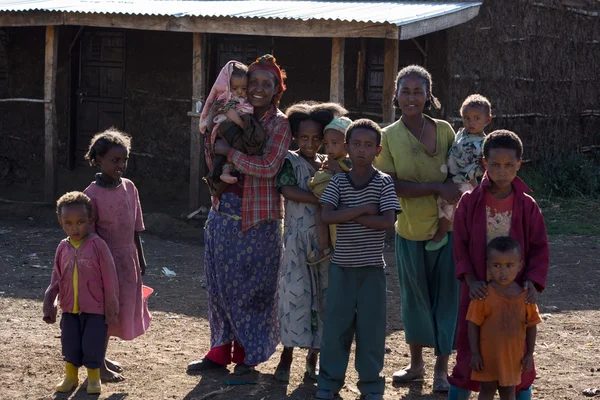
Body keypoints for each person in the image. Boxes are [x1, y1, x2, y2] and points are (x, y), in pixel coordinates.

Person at [187, 54, 292, 375]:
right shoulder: (228, 110)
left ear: (276, 89)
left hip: (259, 221)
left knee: (254, 291)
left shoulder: (279, 123)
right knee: (219, 286)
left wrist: (230, 152)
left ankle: (249, 354)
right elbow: (210, 150)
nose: (258, 89)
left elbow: (270, 167)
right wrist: (220, 148)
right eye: (253, 83)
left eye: (266, 84)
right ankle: (219, 352)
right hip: (222, 213)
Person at [374, 65, 461, 392]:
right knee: (414, 299)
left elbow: (459, 173)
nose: (411, 97)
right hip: (409, 229)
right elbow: (390, 184)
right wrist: (437, 188)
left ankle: (441, 369)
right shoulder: (388, 137)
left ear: (428, 95)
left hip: (447, 230)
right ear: (396, 95)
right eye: (405, 91)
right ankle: (416, 365)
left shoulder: (445, 131)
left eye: (418, 91)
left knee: (445, 298)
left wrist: (446, 194)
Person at [448, 130, 549, 400]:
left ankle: (521, 392)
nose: (501, 171)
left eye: (508, 165)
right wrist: (471, 282)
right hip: (478, 289)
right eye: (494, 165)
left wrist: (531, 282)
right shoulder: (469, 202)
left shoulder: (527, 205)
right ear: (484, 164)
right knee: (470, 349)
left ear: (519, 164)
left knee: (517, 351)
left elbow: (539, 247)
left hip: (516, 293)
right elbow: (460, 245)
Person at [315, 119, 401, 400]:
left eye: (367, 145)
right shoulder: (339, 181)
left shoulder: (384, 182)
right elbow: (326, 216)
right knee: (336, 330)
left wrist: (349, 213)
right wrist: (364, 209)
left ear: (378, 149)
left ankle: (371, 386)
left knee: (372, 333)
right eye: (356, 144)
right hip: (342, 268)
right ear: (347, 148)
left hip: (372, 271)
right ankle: (328, 383)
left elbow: (387, 222)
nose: (361, 150)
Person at [274, 102, 346, 382]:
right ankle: (286, 357)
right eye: (304, 137)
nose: (311, 143)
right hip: (295, 241)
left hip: (326, 240)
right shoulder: (290, 161)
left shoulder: (330, 165)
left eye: (317, 138)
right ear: (294, 136)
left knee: (324, 298)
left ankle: (312, 360)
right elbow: (288, 190)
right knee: (295, 297)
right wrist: (320, 198)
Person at [83, 128, 151, 382]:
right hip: (104, 263)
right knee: (103, 312)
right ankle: (98, 364)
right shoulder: (91, 195)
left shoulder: (130, 188)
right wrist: (99, 266)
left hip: (127, 260)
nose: (121, 165)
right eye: (115, 160)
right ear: (99, 160)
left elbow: (135, 228)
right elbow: (89, 236)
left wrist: (140, 259)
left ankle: (101, 356)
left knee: (116, 310)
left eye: (124, 160)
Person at [43, 191, 119, 394]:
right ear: (61, 223)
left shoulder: (98, 246)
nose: (74, 228)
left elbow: (110, 279)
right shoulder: (62, 248)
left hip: (95, 309)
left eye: (80, 222)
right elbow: (56, 276)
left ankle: (94, 379)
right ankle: (70, 377)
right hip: (69, 308)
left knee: (92, 344)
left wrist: (111, 308)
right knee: (70, 343)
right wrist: (49, 300)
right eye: (68, 223)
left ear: (90, 220)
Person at [467, 236, 542, 400]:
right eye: (496, 265)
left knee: (508, 392)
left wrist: (530, 353)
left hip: (513, 357)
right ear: (488, 266)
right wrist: (475, 354)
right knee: (486, 390)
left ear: (519, 266)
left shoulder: (526, 296)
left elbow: (531, 325)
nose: (503, 272)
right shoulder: (483, 294)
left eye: (509, 265)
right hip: (488, 357)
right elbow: (472, 324)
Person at [426, 94, 493, 251]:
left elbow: (482, 165)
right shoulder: (461, 134)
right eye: (467, 118)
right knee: (445, 203)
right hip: (452, 175)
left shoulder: (485, 144)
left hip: (467, 179)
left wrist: (469, 178)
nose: (471, 122)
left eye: (477, 118)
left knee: (457, 205)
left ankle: (454, 235)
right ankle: (448, 234)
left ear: (487, 120)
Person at [200, 61, 268, 198]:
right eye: (235, 88)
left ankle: (224, 173)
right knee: (230, 151)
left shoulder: (243, 100)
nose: (240, 92)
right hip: (225, 131)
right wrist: (241, 122)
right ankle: (222, 174)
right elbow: (226, 113)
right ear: (227, 86)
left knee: (230, 153)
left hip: (231, 136)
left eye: (244, 88)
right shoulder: (228, 100)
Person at [307, 116, 353, 257]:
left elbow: (351, 181)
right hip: (327, 204)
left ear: (347, 145)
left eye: (334, 143)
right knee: (319, 215)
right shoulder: (330, 160)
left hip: (340, 207)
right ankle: (323, 247)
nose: (329, 148)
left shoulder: (349, 162)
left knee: (339, 233)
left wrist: (335, 169)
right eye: (326, 144)